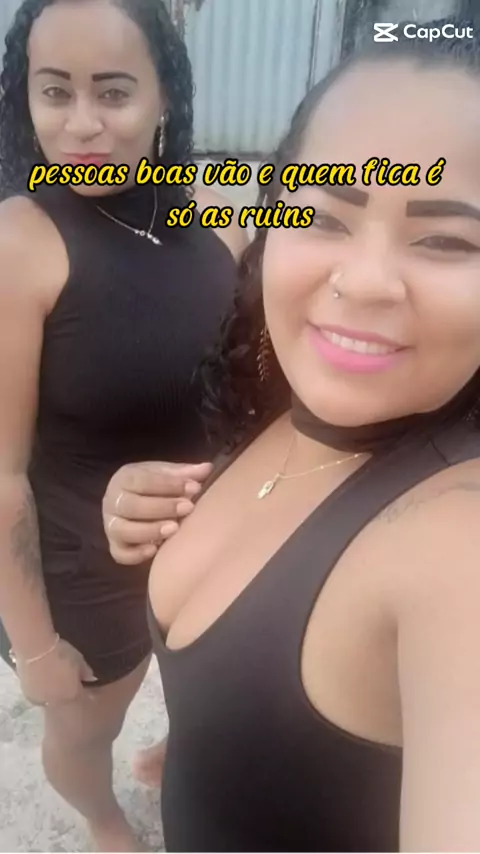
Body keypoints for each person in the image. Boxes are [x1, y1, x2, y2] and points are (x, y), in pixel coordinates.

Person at [105, 23, 480, 852]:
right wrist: (215, 741)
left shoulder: (459, 542)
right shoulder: (286, 401)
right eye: (324, 216)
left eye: (447, 239)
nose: (365, 280)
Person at [0, 0, 246, 850]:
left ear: (164, 96)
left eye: (112, 92)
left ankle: (180, 747)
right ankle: (103, 817)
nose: (81, 125)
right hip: (83, 568)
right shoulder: (20, 242)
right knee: (83, 728)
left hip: (207, 536)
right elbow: (1, 474)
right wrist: (36, 649)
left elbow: (310, 235)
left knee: (201, 677)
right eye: (54, 92)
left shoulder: (205, 210)